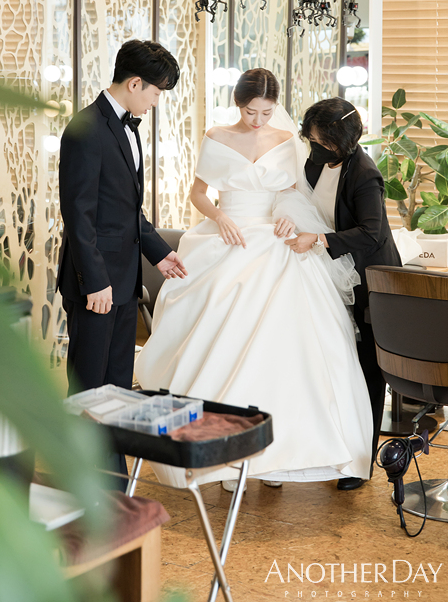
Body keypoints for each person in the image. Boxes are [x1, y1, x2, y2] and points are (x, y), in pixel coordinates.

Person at [135, 69, 372, 490]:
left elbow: (292, 192)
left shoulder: (286, 139)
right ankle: (228, 457)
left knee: (283, 347)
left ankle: (274, 460)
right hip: (227, 236)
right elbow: (198, 193)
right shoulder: (217, 136)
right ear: (238, 104)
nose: (259, 120)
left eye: (266, 112)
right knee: (223, 339)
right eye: (250, 112)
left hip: (274, 241)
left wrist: (286, 215)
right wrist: (221, 217)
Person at [57, 39, 187, 405]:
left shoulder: (129, 127)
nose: (156, 102)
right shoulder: (86, 127)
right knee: (88, 389)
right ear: (134, 83)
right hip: (95, 284)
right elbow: (78, 215)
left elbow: (127, 209)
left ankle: (113, 446)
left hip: (126, 281)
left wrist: (159, 253)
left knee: (117, 386)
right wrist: (95, 281)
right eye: (156, 93)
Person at [295, 97, 402, 490]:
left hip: (369, 281)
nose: (313, 146)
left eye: (319, 140)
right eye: (310, 139)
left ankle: (361, 461)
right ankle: (334, 445)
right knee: (338, 364)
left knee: (368, 370)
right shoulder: (314, 163)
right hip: (332, 275)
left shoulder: (364, 175)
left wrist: (320, 239)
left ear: (339, 140)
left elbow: (372, 232)